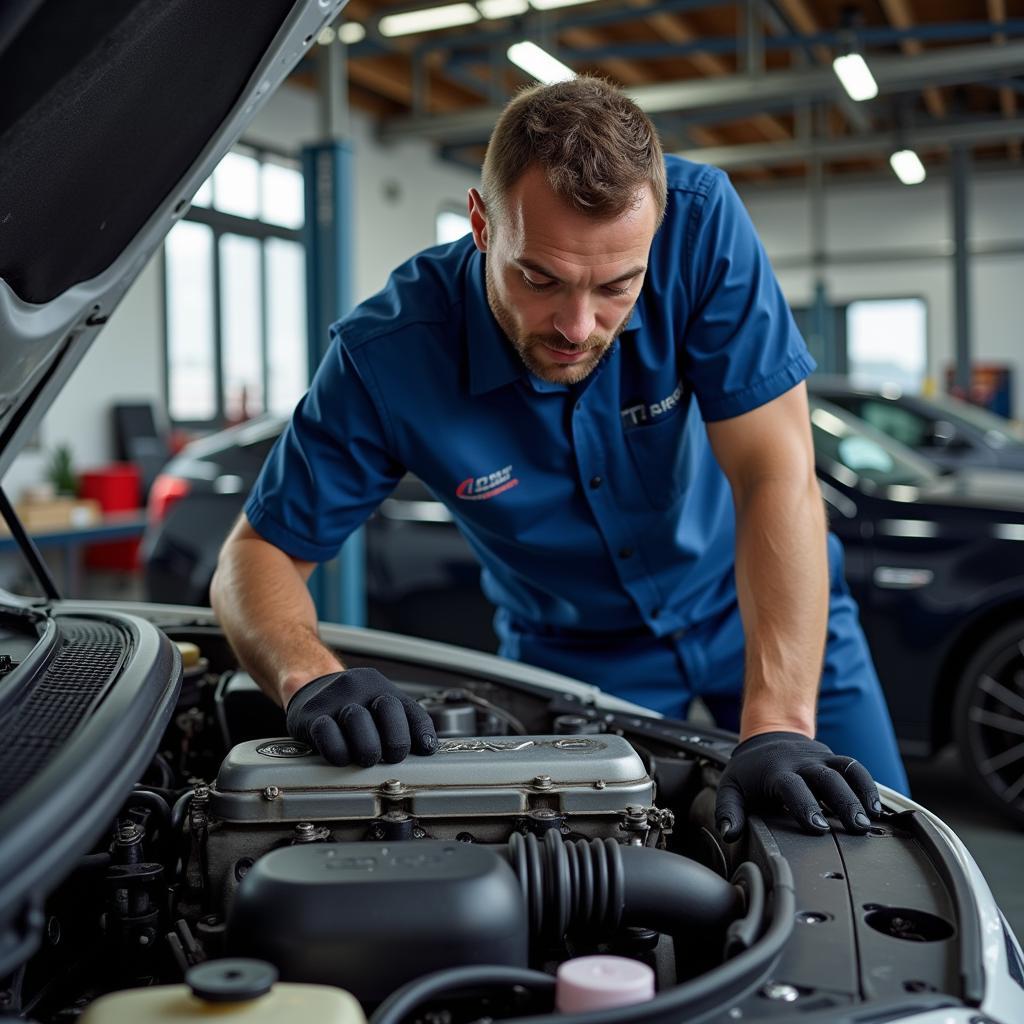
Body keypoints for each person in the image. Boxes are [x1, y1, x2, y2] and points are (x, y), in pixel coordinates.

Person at [210, 76, 909, 842]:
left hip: (765, 607)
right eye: (539, 278)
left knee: (868, 846)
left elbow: (774, 471)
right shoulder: (389, 355)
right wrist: (310, 677)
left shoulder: (702, 224)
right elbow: (256, 556)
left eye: (617, 286)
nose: (578, 326)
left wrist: (778, 723)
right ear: (482, 225)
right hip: (575, 664)